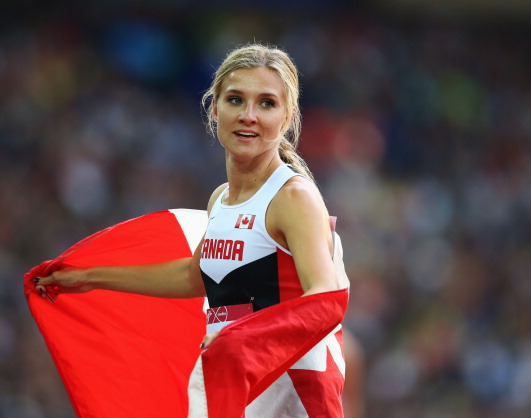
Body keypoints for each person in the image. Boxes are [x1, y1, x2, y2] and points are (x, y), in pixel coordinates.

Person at [36, 43, 350, 417]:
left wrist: (244, 338)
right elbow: (192, 276)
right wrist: (89, 278)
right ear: (214, 107)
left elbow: (326, 297)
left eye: (266, 103)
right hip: (230, 379)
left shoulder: (293, 196)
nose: (248, 115)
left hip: (289, 388)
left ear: (287, 117)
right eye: (235, 100)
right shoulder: (221, 199)